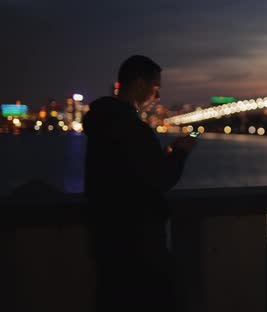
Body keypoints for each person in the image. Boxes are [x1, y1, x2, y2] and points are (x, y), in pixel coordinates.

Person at [83, 55, 195, 311]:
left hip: (106, 238)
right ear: (140, 84)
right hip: (139, 243)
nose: (157, 97)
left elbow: (127, 172)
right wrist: (180, 153)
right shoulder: (132, 128)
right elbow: (160, 179)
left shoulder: (102, 121)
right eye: (156, 88)